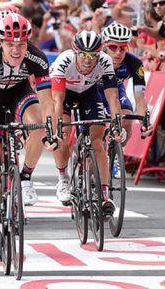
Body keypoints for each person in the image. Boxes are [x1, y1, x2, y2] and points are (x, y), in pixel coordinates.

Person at [0, 13, 57, 263]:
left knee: (37, 123)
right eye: (11, 45)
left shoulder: (37, 57)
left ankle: (25, 176)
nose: (16, 50)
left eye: (21, 45)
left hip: (20, 95)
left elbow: (49, 101)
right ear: (1, 43)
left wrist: (51, 130)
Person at [51, 31, 125, 213]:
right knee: (63, 134)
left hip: (89, 94)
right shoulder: (64, 61)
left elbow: (113, 98)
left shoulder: (105, 61)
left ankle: (105, 195)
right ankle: (63, 180)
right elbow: (56, 102)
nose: (88, 60)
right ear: (75, 52)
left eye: (93, 55)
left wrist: (117, 125)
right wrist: (55, 130)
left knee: (98, 141)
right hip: (65, 94)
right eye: (83, 54)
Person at [99, 22, 150, 141]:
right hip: (92, 91)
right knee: (95, 130)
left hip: (116, 91)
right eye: (113, 47)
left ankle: (117, 155)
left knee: (127, 119)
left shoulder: (135, 64)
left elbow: (140, 98)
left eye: (122, 48)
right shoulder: (96, 59)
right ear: (104, 46)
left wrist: (144, 122)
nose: (118, 52)